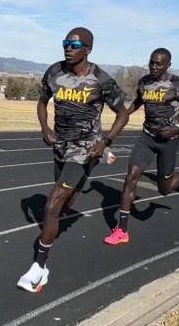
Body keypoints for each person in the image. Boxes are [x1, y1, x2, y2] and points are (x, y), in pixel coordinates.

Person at [17, 27, 129, 292]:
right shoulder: (54, 72)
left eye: (75, 44)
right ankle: (83, 178)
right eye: (66, 43)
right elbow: (42, 102)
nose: (68, 48)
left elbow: (122, 113)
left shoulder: (100, 80)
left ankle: (39, 268)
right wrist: (45, 127)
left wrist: (106, 141)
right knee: (69, 201)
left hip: (85, 148)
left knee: (53, 204)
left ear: (88, 49)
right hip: (60, 146)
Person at [103, 48, 179, 245]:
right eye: (151, 62)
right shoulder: (145, 82)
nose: (153, 67)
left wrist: (178, 128)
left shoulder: (177, 84)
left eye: (158, 64)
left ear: (168, 65)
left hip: (168, 142)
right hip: (147, 138)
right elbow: (138, 102)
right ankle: (122, 230)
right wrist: (123, 114)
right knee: (131, 177)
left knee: (164, 191)